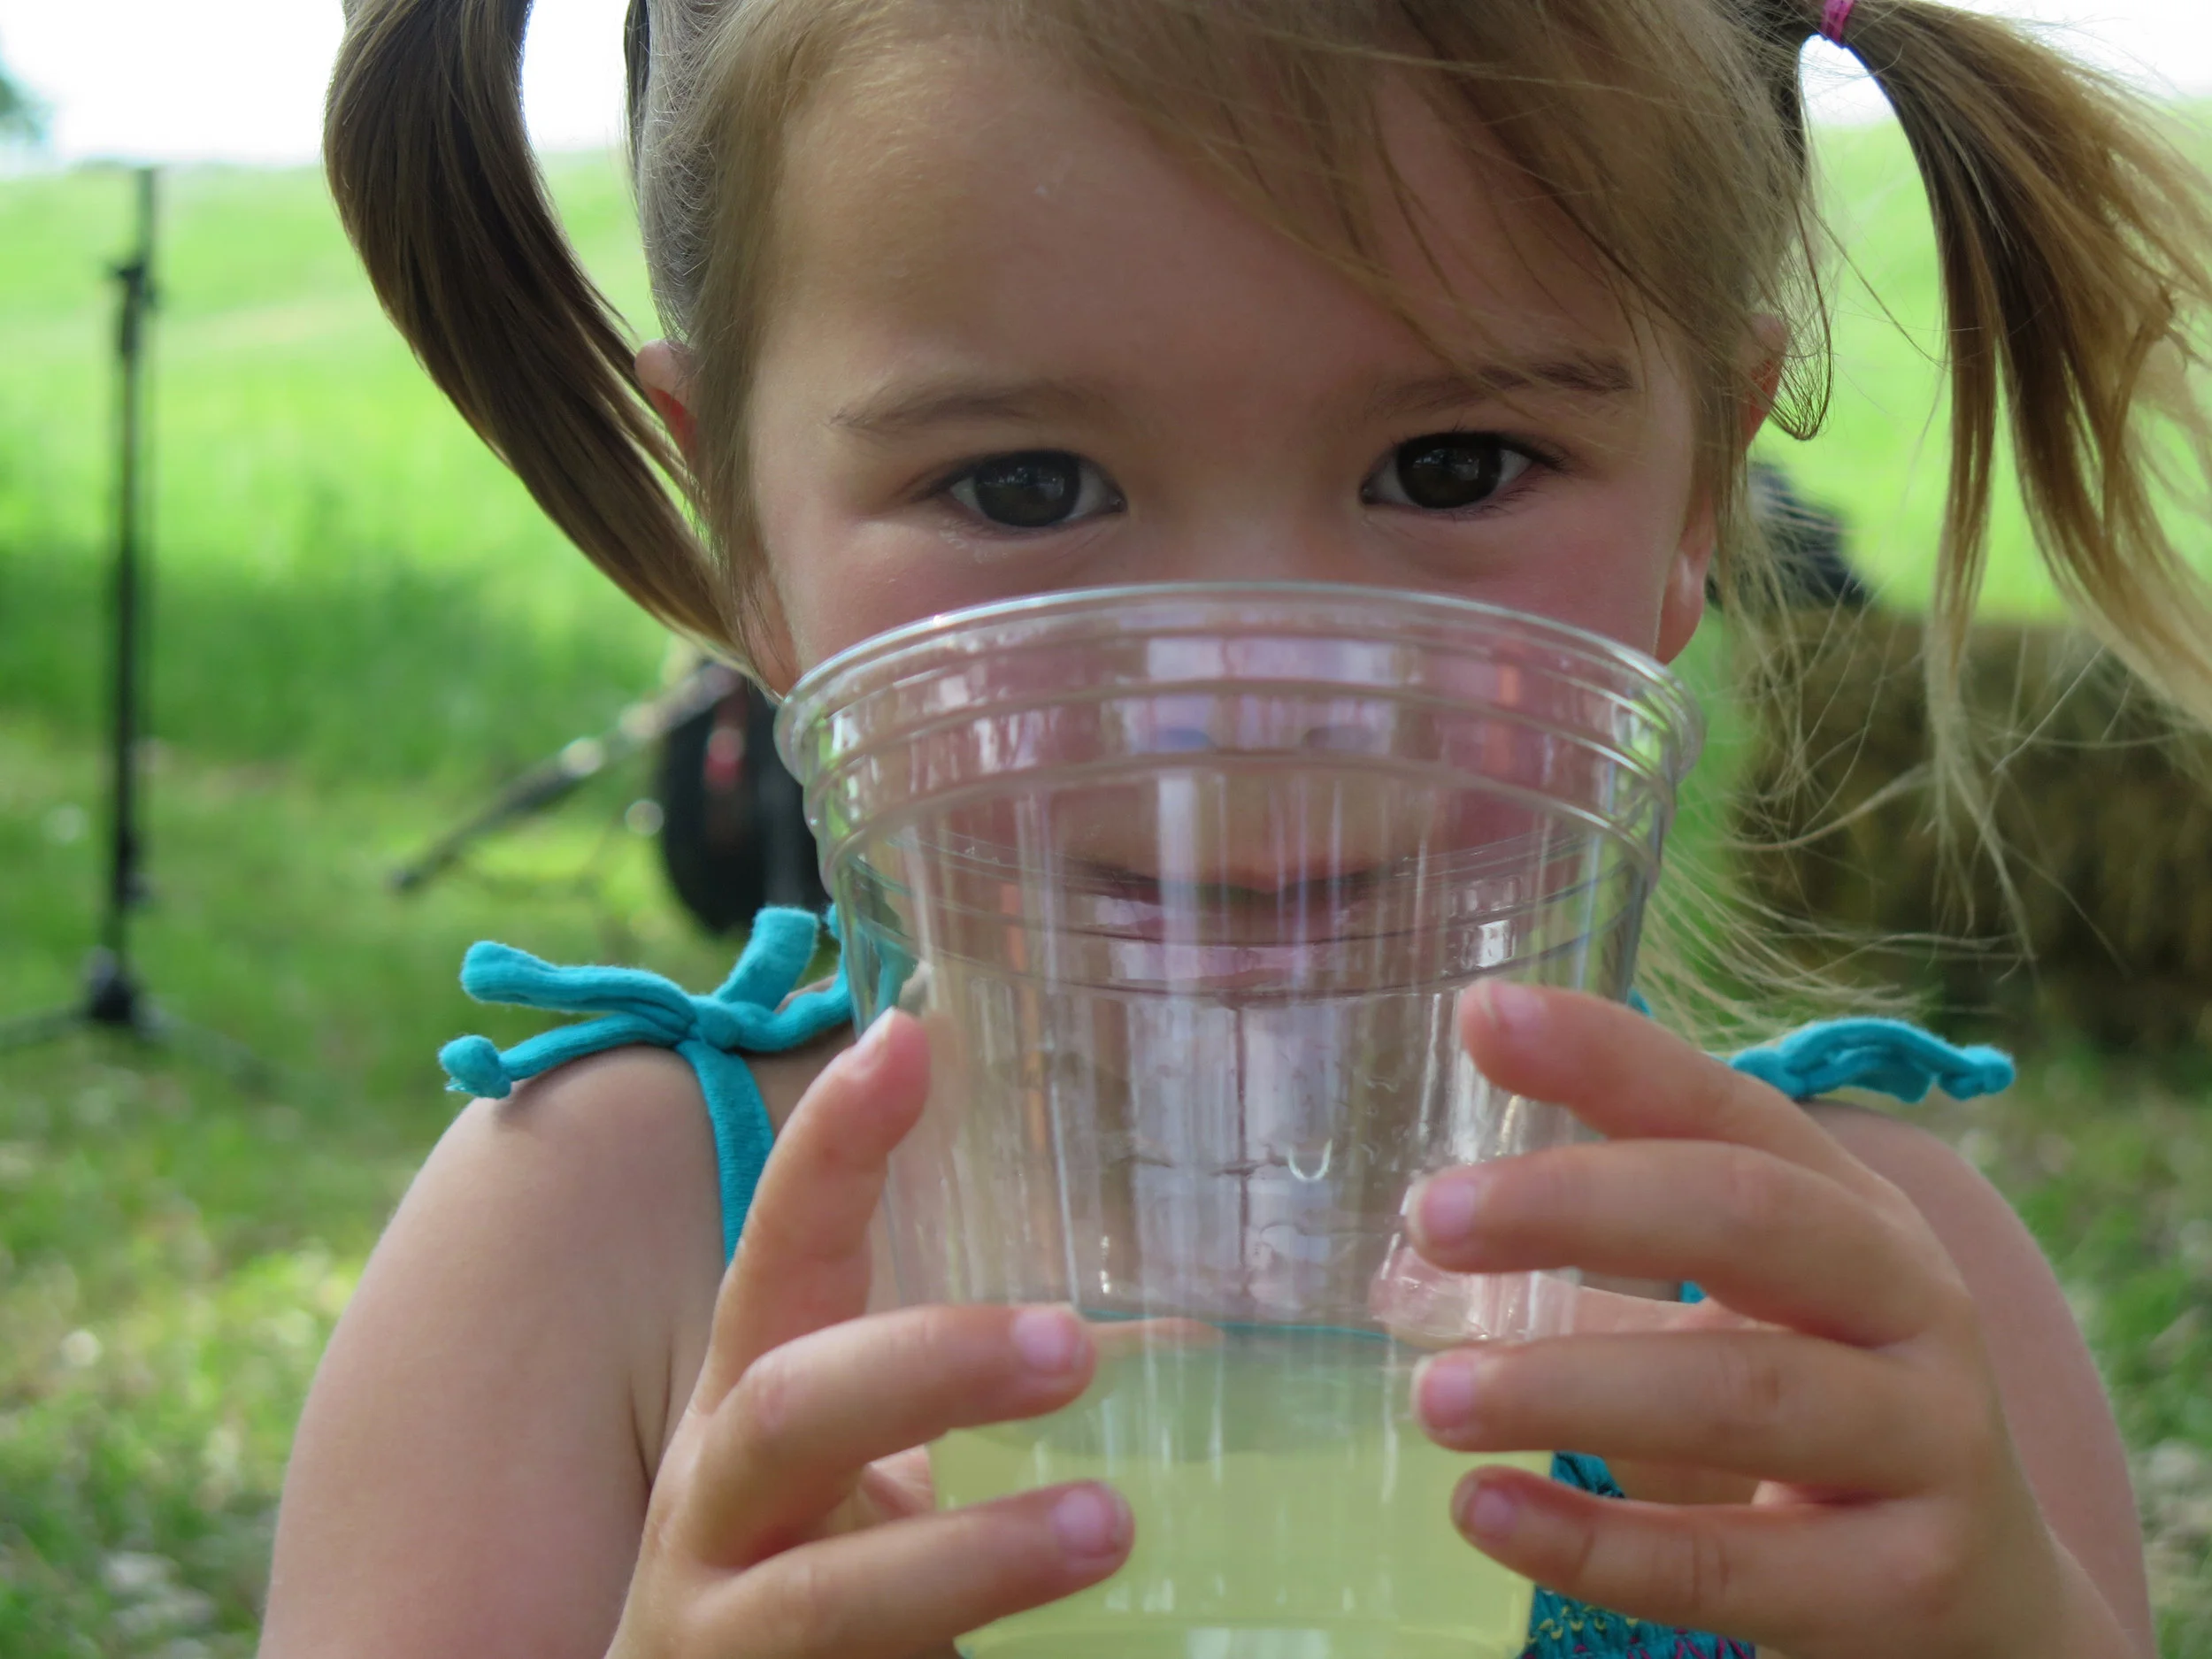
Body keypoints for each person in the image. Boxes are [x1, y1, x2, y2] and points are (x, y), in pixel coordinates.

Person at [265, 1, 2212, 1655]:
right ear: (739, 537)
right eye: (1025, 485)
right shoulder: (590, 1249)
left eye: (1448, 465)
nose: (1240, 709)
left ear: (1697, 496)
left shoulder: (1868, 1313)